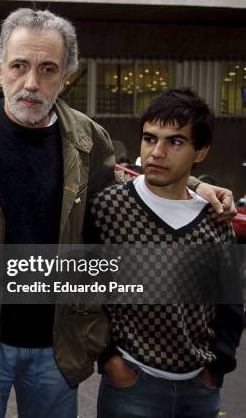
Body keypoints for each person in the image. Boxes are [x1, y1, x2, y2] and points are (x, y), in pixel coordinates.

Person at [0, 8, 238, 418]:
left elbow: (127, 182)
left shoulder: (89, 138)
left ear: (67, 75)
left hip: (57, 344)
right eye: (19, 65)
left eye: (48, 68)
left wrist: (194, 185)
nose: (31, 82)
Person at [90, 88, 244, 417]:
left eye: (174, 142)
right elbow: (87, 290)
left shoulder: (216, 218)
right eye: (149, 139)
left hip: (199, 392)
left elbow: (230, 304)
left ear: (200, 151)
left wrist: (215, 372)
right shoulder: (109, 207)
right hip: (130, 386)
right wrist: (110, 360)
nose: (157, 152)